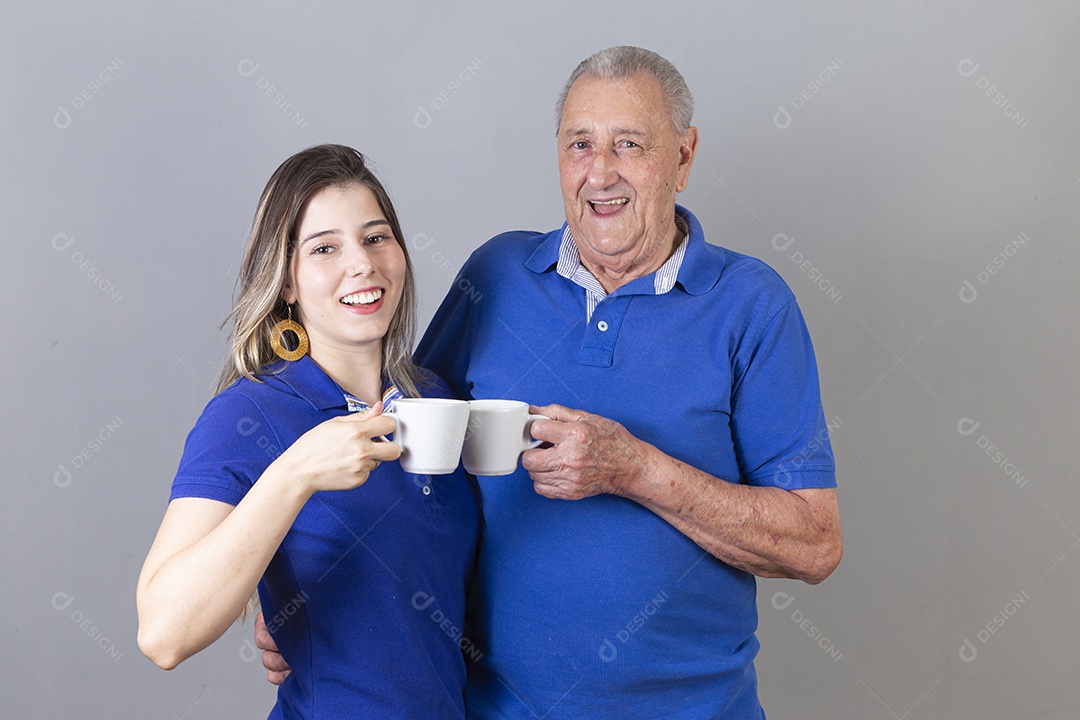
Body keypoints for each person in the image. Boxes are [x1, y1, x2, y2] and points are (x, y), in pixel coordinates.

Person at [260, 46, 842, 718]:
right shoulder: (497, 275)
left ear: (682, 158)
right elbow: (391, 450)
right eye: (579, 145)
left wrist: (634, 469)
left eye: (629, 144)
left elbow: (814, 542)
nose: (600, 173)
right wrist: (297, 591)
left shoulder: (751, 305)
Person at [137, 144, 480, 719]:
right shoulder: (248, 415)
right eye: (325, 248)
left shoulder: (437, 399)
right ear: (287, 282)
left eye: (376, 238)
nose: (363, 264)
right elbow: (164, 633)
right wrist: (295, 474)